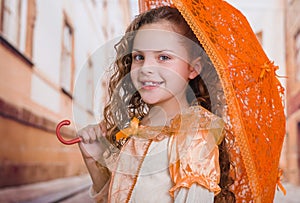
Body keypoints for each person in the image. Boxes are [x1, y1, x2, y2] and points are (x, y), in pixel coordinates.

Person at [77, 6, 234, 203]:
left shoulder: (193, 138)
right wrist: (94, 160)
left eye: (164, 57)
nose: (146, 68)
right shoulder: (137, 131)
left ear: (193, 68)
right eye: (139, 57)